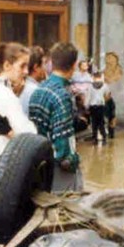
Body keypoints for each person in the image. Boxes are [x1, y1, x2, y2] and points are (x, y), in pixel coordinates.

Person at [28, 41, 83, 192]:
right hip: (58, 172)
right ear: (74, 65)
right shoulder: (62, 95)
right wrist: (74, 161)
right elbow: (62, 148)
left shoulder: (39, 90)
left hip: (41, 164)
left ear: (51, 63)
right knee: (67, 210)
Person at [0, 42, 36, 186]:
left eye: (27, 66)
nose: (26, 71)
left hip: (4, 158)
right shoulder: (1, 93)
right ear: (7, 65)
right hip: (4, 160)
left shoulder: (2, 89)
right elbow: (18, 132)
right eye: (22, 66)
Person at [20, 46, 47, 116]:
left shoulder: (21, 86)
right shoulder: (36, 91)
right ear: (36, 67)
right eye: (44, 64)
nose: (45, 68)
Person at [87, 71, 110, 144]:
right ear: (100, 77)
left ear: (93, 78)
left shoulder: (90, 86)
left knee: (94, 123)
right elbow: (107, 95)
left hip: (93, 106)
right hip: (101, 106)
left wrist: (86, 106)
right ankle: (104, 138)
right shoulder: (105, 85)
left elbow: (88, 97)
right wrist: (104, 101)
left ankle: (95, 139)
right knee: (101, 123)